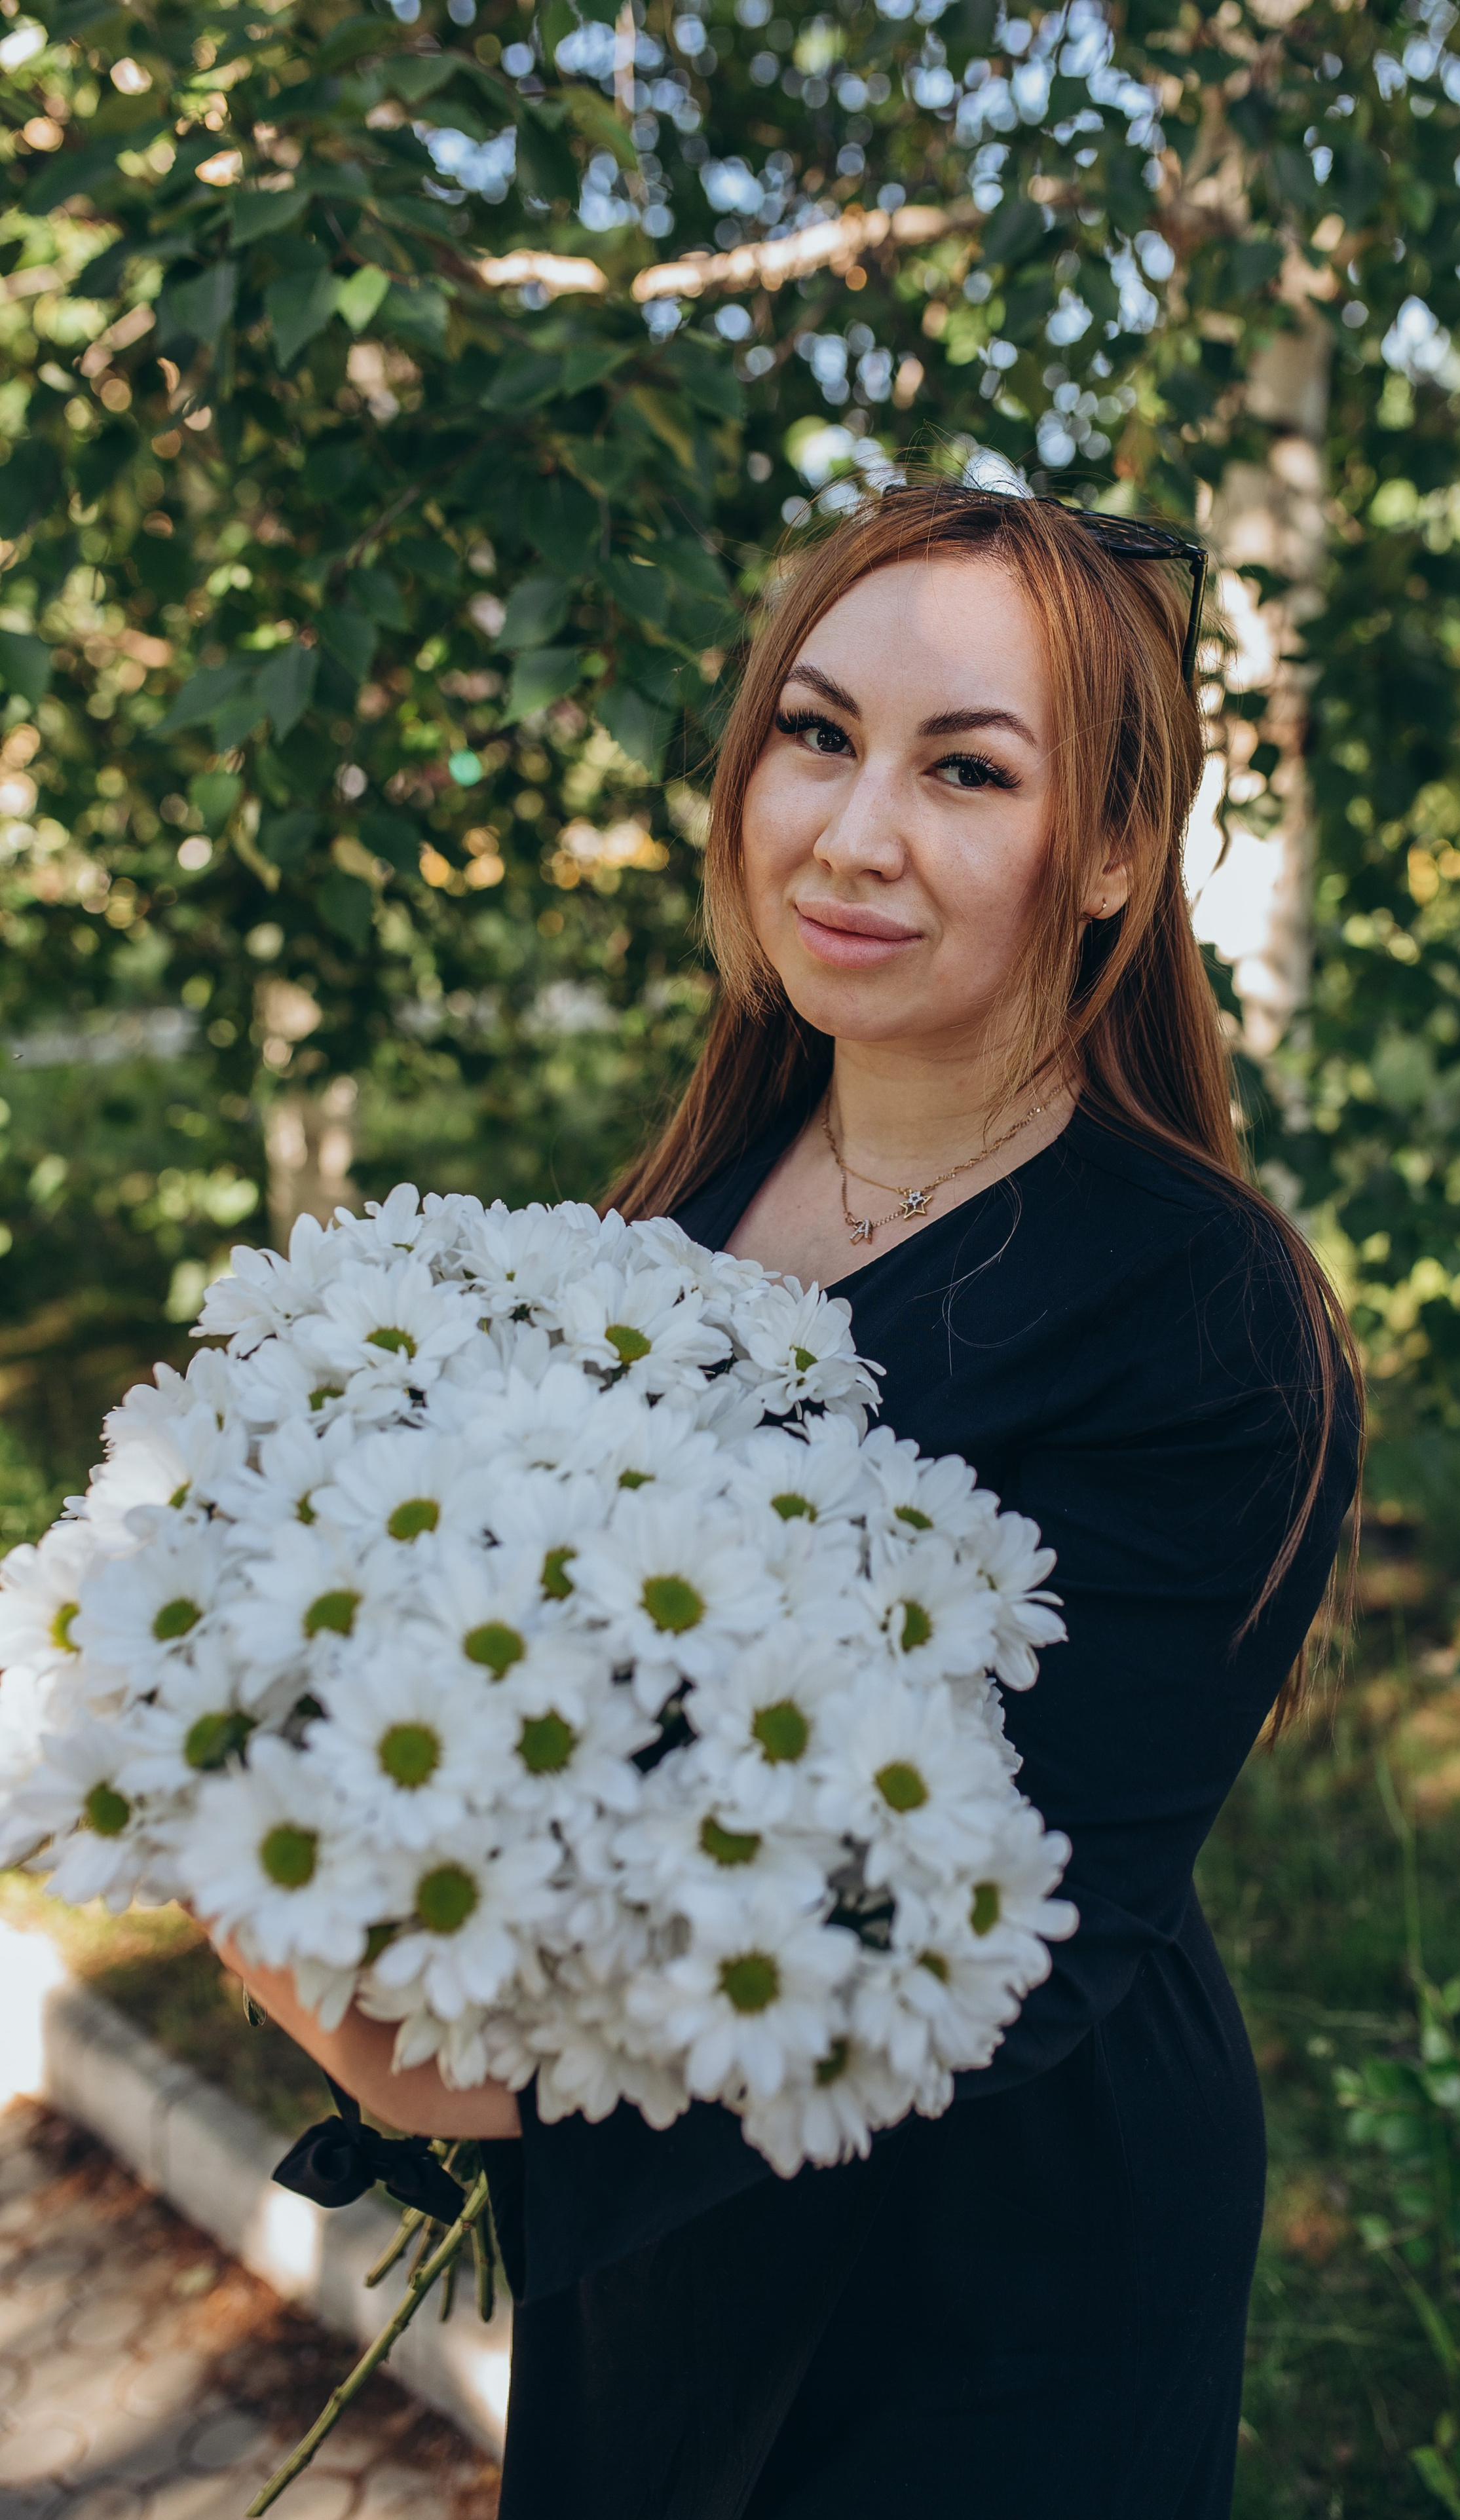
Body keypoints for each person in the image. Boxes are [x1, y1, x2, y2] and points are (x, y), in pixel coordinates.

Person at [227, 481, 1361, 2519]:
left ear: (1110, 849)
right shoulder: (696, 1188)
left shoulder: (1205, 1312)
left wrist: (475, 2078)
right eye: (815, 735)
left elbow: (1020, 1943)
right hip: (666, 2258)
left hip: (992, 2278)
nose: (851, 833)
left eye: (968, 770)